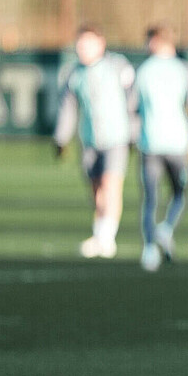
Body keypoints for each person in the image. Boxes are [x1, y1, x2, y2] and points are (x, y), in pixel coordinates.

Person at [54, 24, 137, 259]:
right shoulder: (74, 74)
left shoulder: (118, 67)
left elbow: (133, 101)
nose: (83, 49)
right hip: (90, 139)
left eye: (87, 43)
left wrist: (133, 132)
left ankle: (106, 238)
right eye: (80, 44)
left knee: (111, 185)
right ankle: (100, 233)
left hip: (116, 138)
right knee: (96, 191)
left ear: (101, 43)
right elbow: (67, 109)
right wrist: (61, 138)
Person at [134, 24, 188, 272]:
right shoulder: (185, 70)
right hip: (177, 143)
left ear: (155, 42)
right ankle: (166, 228)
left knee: (150, 198)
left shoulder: (143, 71)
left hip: (150, 143)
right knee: (180, 193)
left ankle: (149, 249)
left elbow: (132, 107)